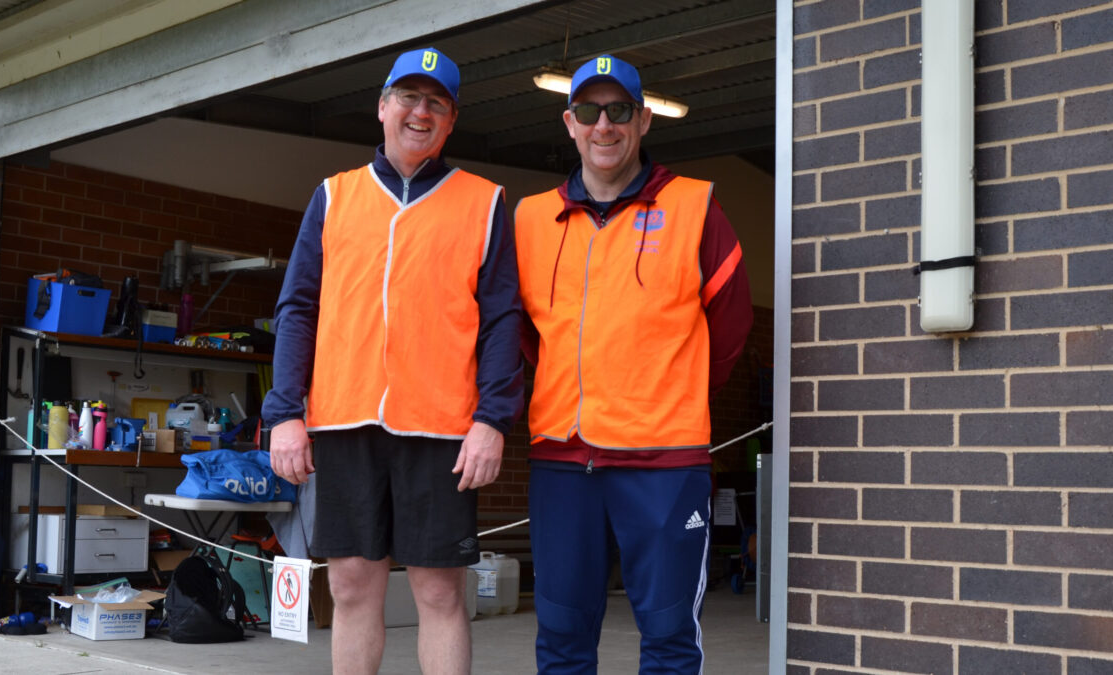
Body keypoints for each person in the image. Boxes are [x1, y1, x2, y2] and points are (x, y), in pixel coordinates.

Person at [263, 47, 523, 674]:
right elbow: (297, 309)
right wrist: (284, 413)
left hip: (442, 431)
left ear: (451, 121)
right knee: (352, 587)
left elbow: (504, 320)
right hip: (345, 422)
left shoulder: (484, 203)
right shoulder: (334, 196)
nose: (421, 111)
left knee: (438, 593)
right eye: (408, 96)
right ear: (382, 107)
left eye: (437, 102)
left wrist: (494, 418)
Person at [513, 55, 753, 674]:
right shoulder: (531, 219)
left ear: (644, 120)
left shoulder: (696, 208)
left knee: (670, 637)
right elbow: (520, 335)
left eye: (619, 111)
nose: (604, 126)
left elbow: (730, 329)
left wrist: (671, 393)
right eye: (589, 112)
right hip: (562, 461)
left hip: (664, 464)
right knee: (561, 639)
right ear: (570, 123)